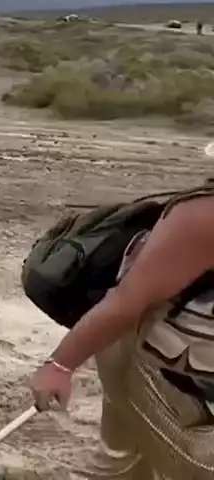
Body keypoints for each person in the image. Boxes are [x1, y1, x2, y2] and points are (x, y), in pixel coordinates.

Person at [29, 191, 214, 477]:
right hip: (155, 359)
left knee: (121, 460)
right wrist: (59, 366)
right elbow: (126, 302)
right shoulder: (203, 217)